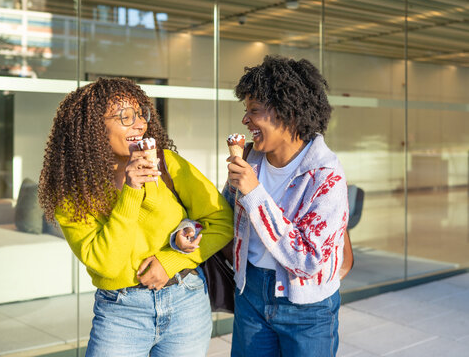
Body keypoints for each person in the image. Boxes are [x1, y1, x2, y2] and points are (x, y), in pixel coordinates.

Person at [38, 77, 233, 357]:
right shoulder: (74, 194)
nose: (140, 124)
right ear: (93, 128)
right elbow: (106, 263)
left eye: (141, 114)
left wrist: (170, 261)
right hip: (121, 313)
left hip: (186, 300)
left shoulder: (167, 164)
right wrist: (131, 191)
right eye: (125, 117)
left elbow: (222, 222)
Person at [223, 55, 349, 357]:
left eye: (254, 110)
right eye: (245, 110)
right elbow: (225, 215)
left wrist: (254, 192)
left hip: (307, 308)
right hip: (250, 294)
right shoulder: (250, 158)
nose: (245, 120)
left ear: (288, 112)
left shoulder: (326, 175)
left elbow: (306, 260)